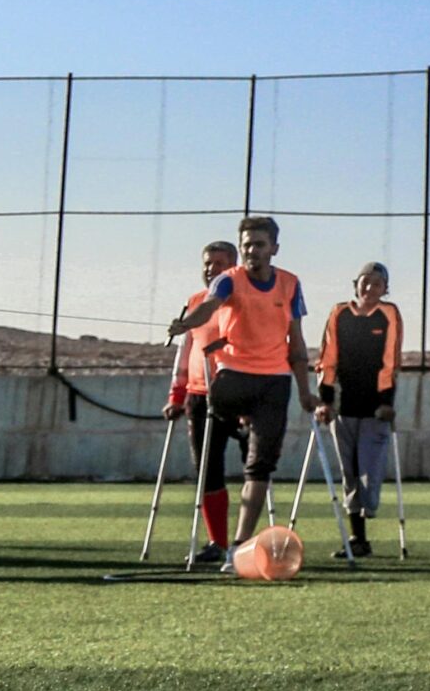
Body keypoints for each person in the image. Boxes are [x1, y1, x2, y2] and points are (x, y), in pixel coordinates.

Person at [166, 216, 316, 550]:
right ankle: (241, 425)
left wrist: (306, 391)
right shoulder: (228, 281)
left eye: (259, 244)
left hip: (275, 381)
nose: (252, 250)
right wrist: (184, 324)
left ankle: (239, 543)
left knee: (260, 466)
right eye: (247, 244)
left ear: (273, 249)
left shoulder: (290, 284)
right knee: (220, 412)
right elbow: (209, 308)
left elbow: (297, 341)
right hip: (233, 377)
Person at [316, 261, 405, 559]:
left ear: (385, 289)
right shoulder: (340, 313)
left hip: (374, 408)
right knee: (349, 472)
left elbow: (390, 360)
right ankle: (358, 539)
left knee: (369, 471)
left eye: (377, 284)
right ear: (356, 284)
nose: (370, 288)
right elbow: (328, 357)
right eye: (365, 282)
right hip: (343, 406)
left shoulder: (388, 314)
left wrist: (386, 402)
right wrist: (325, 399)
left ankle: (366, 519)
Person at [164, 240, 240, 562]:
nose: (212, 269)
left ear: (233, 267)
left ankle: (248, 541)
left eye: (220, 263)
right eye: (208, 263)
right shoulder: (194, 302)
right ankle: (217, 543)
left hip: (238, 391)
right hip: (198, 395)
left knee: (256, 466)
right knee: (207, 468)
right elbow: (185, 353)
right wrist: (176, 395)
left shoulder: (241, 299)